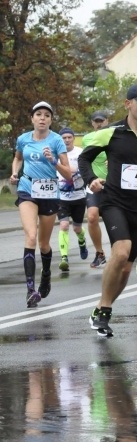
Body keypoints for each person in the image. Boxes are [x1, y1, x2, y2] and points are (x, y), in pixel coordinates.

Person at [78, 83, 137, 336]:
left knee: (127, 267)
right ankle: (104, 309)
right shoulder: (111, 133)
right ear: (128, 104)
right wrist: (90, 180)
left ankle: (103, 307)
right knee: (121, 252)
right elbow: (84, 158)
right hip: (113, 201)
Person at [10, 101, 71, 307]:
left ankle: (45, 274)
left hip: (49, 191)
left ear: (51, 120)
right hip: (27, 188)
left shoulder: (56, 141)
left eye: (47, 115)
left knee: (44, 244)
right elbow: (17, 158)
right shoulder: (23, 139)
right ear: (32, 118)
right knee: (31, 236)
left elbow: (68, 173)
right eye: (39, 114)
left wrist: (53, 161)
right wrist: (14, 172)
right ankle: (30, 290)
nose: (42, 118)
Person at [56, 127, 89, 272]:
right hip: (62, 197)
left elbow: (87, 168)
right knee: (63, 225)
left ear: (73, 139)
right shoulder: (56, 154)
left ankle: (82, 242)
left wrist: (75, 172)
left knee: (76, 228)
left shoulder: (80, 152)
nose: (67, 140)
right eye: (64, 138)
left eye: (69, 137)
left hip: (78, 196)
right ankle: (64, 258)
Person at [84, 111, 109, 268]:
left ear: (107, 121)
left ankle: (126, 250)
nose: (99, 124)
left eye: (102, 121)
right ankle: (100, 253)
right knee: (92, 217)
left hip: (112, 184)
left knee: (116, 218)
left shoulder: (114, 137)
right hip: (93, 184)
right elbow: (84, 159)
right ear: (92, 123)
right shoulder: (87, 139)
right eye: (96, 121)